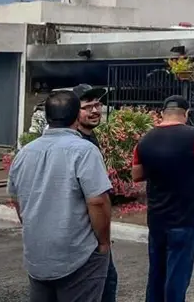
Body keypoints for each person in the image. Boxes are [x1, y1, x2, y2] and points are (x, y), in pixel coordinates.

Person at [7, 89, 113, 302]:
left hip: (37, 256)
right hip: (79, 256)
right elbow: (98, 201)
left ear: (47, 117)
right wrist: (103, 243)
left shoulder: (24, 153)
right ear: (76, 117)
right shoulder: (84, 151)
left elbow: (16, 200)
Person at [131, 95, 194, 302]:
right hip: (185, 219)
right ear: (186, 114)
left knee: (156, 273)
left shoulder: (146, 138)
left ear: (162, 114)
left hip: (157, 218)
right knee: (177, 277)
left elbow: (136, 175)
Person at [67, 83, 120, 302]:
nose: (95, 111)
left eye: (97, 105)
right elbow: (96, 200)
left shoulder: (89, 138)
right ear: (73, 112)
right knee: (102, 286)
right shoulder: (76, 143)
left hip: (88, 232)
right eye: (87, 107)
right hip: (83, 235)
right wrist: (103, 241)